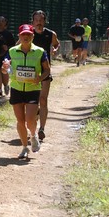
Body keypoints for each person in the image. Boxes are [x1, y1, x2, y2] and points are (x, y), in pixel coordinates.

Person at [2, 24, 50, 160]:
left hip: (33, 89)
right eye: (23, 34)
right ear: (19, 36)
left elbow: (47, 69)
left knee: (30, 120)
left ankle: (33, 135)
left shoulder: (40, 52)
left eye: (29, 34)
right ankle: (24, 147)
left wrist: (39, 79)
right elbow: (5, 69)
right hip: (16, 89)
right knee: (20, 120)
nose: (26, 37)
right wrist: (5, 68)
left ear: (32, 36)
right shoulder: (12, 51)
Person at [31, 10, 60, 141]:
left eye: (41, 20)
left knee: (43, 99)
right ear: (33, 21)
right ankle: (34, 117)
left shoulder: (50, 34)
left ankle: (41, 129)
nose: (39, 23)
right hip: (30, 71)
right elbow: (17, 46)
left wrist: (54, 50)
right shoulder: (28, 33)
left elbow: (56, 44)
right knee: (33, 101)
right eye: (36, 20)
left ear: (45, 21)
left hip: (45, 70)